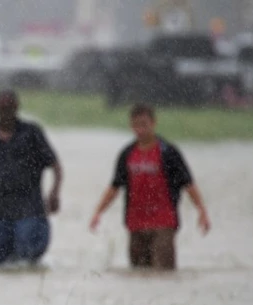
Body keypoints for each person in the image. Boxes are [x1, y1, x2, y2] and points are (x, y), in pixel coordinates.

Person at [89, 103, 210, 270]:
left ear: (153, 123)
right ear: (131, 126)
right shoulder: (127, 154)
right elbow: (114, 187)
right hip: (135, 223)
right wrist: (98, 212)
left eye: (144, 124)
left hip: (164, 223)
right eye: (136, 125)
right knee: (139, 275)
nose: (140, 129)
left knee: (163, 273)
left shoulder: (168, 152)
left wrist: (201, 210)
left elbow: (188, 184)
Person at [0, 89, 63, 268]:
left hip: (30, 211)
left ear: (16, 108)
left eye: (9, 107)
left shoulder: (32, 133)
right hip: (0, 212)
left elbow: (55, 165)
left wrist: (54, 192)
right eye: (1, 108)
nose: (5, 112)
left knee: (26, 262)